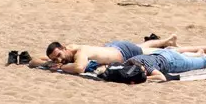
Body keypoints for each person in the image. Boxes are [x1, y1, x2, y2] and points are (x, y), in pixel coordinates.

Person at [40, 35, 181, 74]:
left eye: (59, 55)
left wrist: (59, 67)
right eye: (55, 58)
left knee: (165, 53)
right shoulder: (69, 50)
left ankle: (200, 49)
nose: (59, 59)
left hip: (122, 52)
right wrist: (47, 63)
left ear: (64, 48)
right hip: (114, 48)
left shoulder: (80, 52)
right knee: (143, 47)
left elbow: (79, 68)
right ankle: (167, 40)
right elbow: (35, 61)